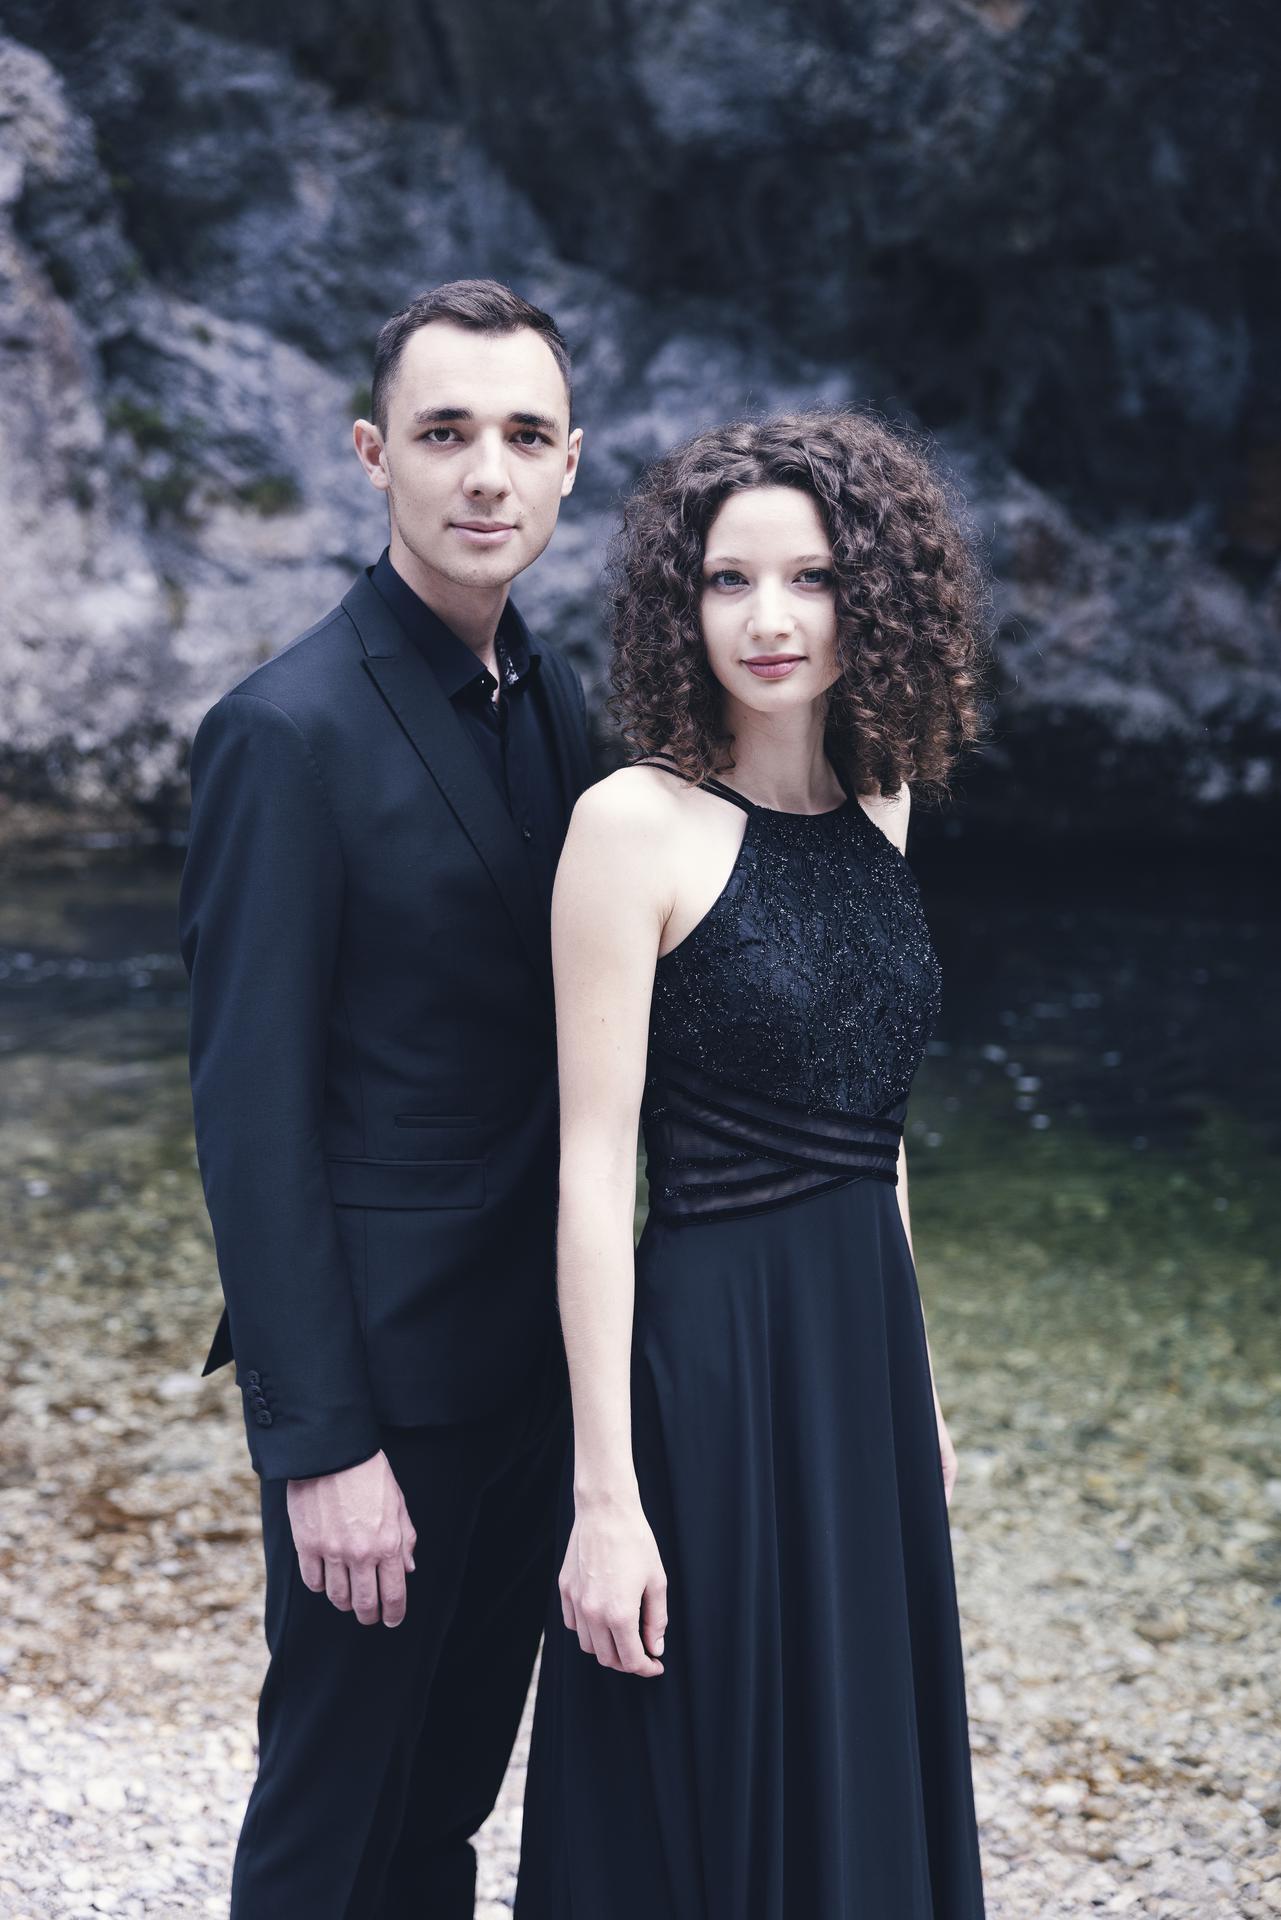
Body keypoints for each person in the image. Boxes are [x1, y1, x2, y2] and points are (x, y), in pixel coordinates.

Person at [515, 409, 991, 1917]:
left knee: (855, 1753)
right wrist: (603, 1497)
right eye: (729, 580)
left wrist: (919, 1396)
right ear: (683, 603)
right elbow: (591, 1174)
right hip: (710, 1363)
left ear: (876, 597)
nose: (770, 619)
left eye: (811, 577)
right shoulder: (629, 826)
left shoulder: (881, 804)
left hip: (860, 1357)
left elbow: (877, 1137)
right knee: (700, 1767)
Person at [177, 278, 593, 1918]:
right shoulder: (281, 733)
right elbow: (250, 1118)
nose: (486, 473)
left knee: (441, 1813)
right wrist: (322, 1444)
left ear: (569, 464)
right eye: (445, 433)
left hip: (536, 1378)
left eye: (524, 436)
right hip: (385, 1400)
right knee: (330, 1820)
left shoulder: (555, 702)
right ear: (373, 455)